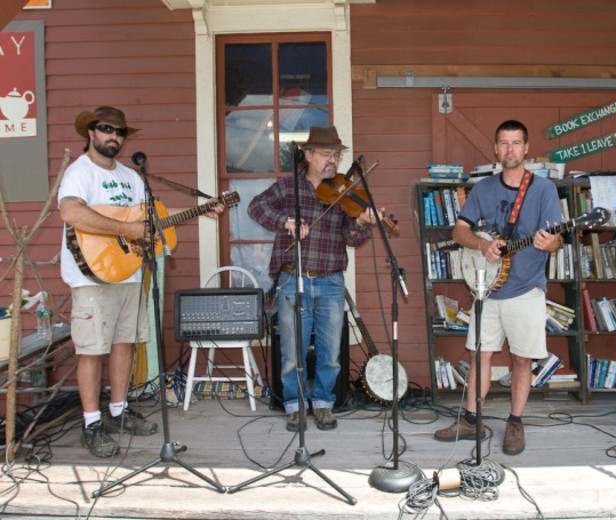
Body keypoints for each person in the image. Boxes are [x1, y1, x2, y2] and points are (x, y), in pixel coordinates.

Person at [59, 106, 225, 457]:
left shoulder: (132, 176)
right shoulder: (80, 172)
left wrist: (199, 210)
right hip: (90, 277)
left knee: (124, 344)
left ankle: (118, 411)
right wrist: (126, 229)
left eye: (119, 132)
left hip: (128, 272)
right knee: (91, 351)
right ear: (90, 132)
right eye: (106, 130)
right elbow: (72, 212)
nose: (114, 138)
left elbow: (148, 223)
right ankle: (91, 423)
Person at [433, 120, 563, 456]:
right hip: (486, 290)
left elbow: (557, 238)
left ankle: (515, 422)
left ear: (526, 148)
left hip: (526, 290)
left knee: (522, 360)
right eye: (503, 143)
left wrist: (549, 244)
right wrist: (480, 245)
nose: (510, 150)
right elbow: (458, 232)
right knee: (480, 355)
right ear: (495, 148)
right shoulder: (484, 189)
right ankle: (471, 418)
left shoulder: (544, 189)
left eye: (516, 143)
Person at [247, 126, 382, 432]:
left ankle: (323, 403)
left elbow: (351, 238)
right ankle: (294, 405)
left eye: (336, 154)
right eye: (325, 154)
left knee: (330, 351)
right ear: (307, 155)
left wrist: (362, 222)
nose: (332, 160)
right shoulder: (287, 188)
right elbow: (256, 207)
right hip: (291, 279)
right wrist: (285, 221)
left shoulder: (344, 191)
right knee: (292, 350)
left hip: (330, 280)